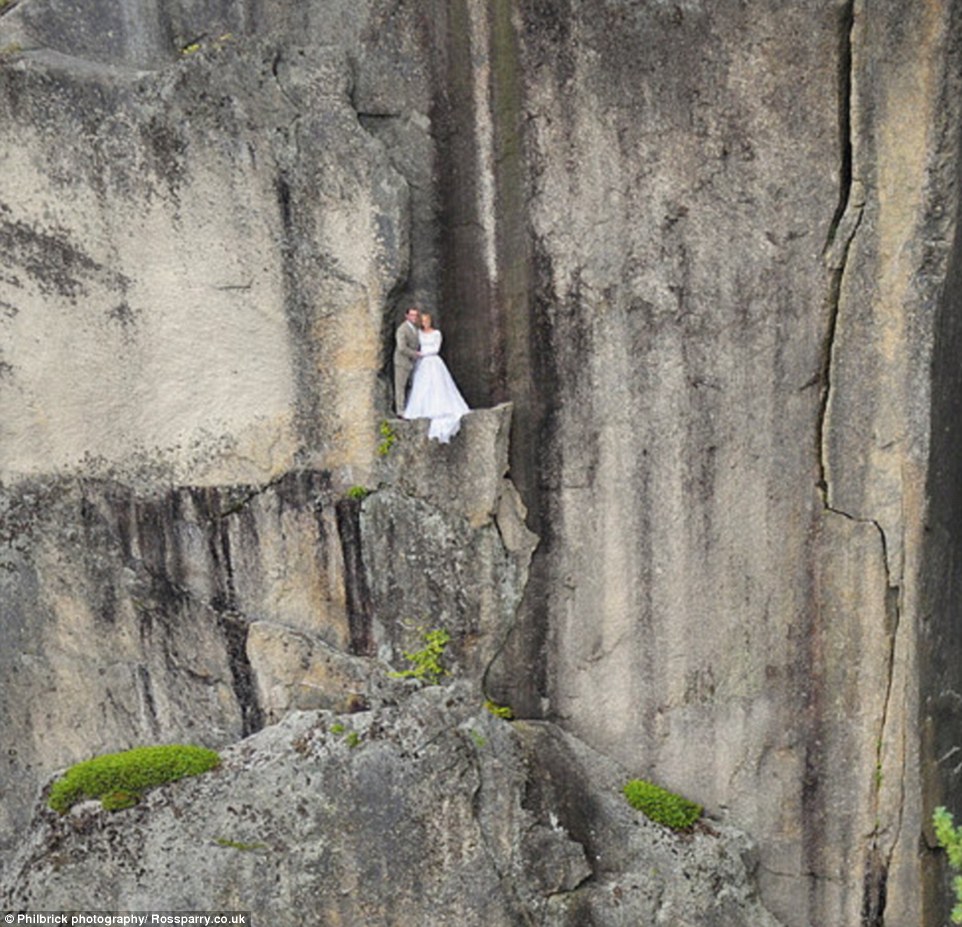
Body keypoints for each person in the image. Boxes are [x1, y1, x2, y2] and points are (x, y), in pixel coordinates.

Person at [403, 313, 469, 443]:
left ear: (430, 321)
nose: (425, 323)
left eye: (427, 320)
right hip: (423, 363)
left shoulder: (436, 333)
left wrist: (422, 353)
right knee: (422, 386)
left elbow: (436, 348)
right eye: (423, 321)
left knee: (438, 385)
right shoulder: (419, 333)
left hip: (433, 360)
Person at [393, 306, 421, 416]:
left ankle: (409, 408)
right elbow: (401, 347)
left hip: (412, 362)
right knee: (400, 386)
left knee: (411, 386)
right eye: (412, 315)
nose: (414, 317)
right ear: (407, 316)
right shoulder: (402, 329)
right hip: (402, 362)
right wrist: (415, 354)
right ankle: (400, 410)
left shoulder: (415, 329)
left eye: (415, 315)